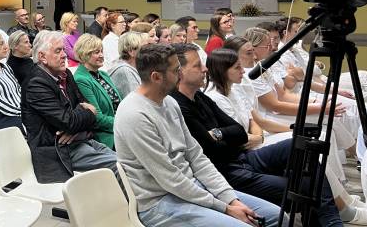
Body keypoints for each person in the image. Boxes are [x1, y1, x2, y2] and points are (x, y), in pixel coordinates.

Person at [172, 44, 351, 227]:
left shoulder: (200, 97)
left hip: (242, 157)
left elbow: (239, 132)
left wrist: (219, 134)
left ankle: (331, 221)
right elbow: (211, 146)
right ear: (179, 72)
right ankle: (332, 222)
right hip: (227, 171)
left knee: (303, 147)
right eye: (197, 65)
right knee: (306, 186)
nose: (204, 69)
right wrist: (226, 136)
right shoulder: (178, 105)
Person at [113, 44, 284, 227]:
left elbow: (196, 157)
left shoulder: (169, 102)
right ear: (156, 77)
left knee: (276, 216)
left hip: (192, 188)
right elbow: (171, 180)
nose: (180, 74)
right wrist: (225, 208)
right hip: (159, 203)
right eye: (176, 70)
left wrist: (230, 199)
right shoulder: (134, 115)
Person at [244, 27, 360, 155]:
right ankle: (358, 154)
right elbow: (275, 105)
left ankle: (358, 154)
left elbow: (283, 94)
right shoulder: (253, 73)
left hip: (282, 109)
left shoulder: (263, 66)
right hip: (272, 117)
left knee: (331, 120)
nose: (271, 47)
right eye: (267, 45)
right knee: (327, 121)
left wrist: (315, 103)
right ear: (253, 49)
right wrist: (319, 108)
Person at [22, 30, 119, 183]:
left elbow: (87, 112)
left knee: (126, 162)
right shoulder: (36, 84)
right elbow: (70, 120)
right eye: (58, 51)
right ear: (42, 57)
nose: (64, 55)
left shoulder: (65, 74)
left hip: (81, 139)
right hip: (59, 150)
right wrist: (77, 119)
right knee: (120, 166)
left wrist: (75, 126)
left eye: (63, 50)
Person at [73, 34, 122, 149]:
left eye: (101, 51)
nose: (101, 55)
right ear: (84, 55)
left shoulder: (103, 74)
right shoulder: (81, 79)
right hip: (107, 136)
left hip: (120, 128)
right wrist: (124, 122)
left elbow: (120, 103)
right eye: (96, 52)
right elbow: (97, 118)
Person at [103, 31, 145, 97]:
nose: (147, 51)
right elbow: (135, 99)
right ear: (131, 52)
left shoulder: (130, 67)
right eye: (143, 48)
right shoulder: (124, 71)